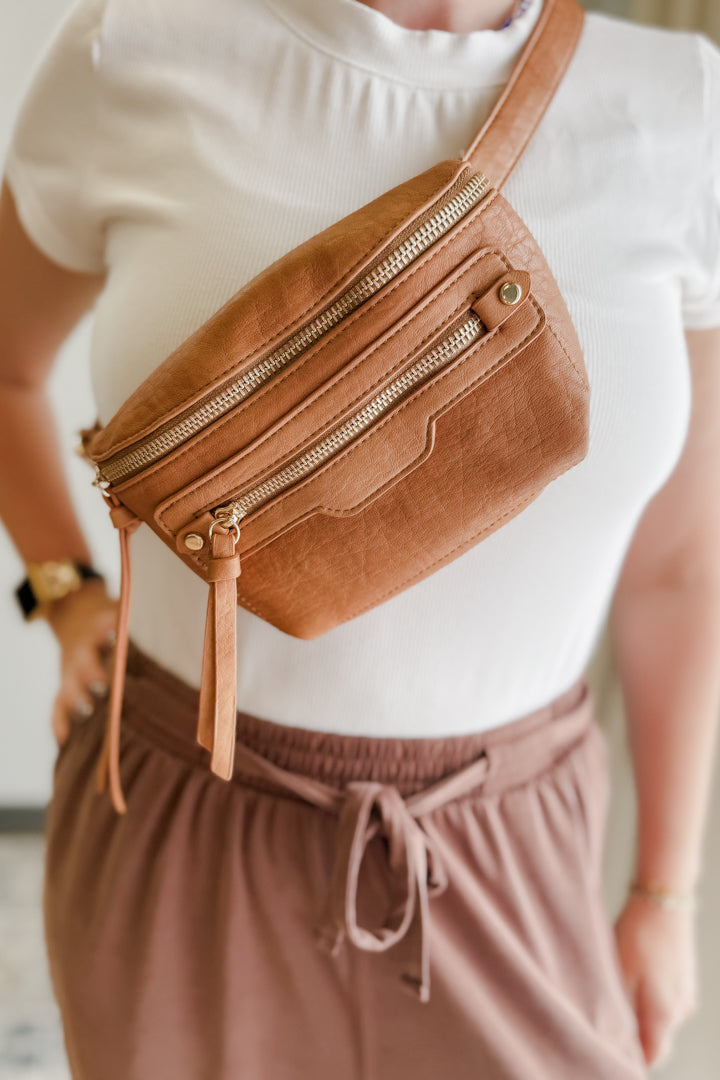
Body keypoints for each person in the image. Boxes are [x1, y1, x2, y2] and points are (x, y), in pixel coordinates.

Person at [1, 0, 719, 1075]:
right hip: (185, 822)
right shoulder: (136, 45)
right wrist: (64, 593)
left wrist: (665, 891)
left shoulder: (682, 107)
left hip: (514, 845)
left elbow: (681, 565)